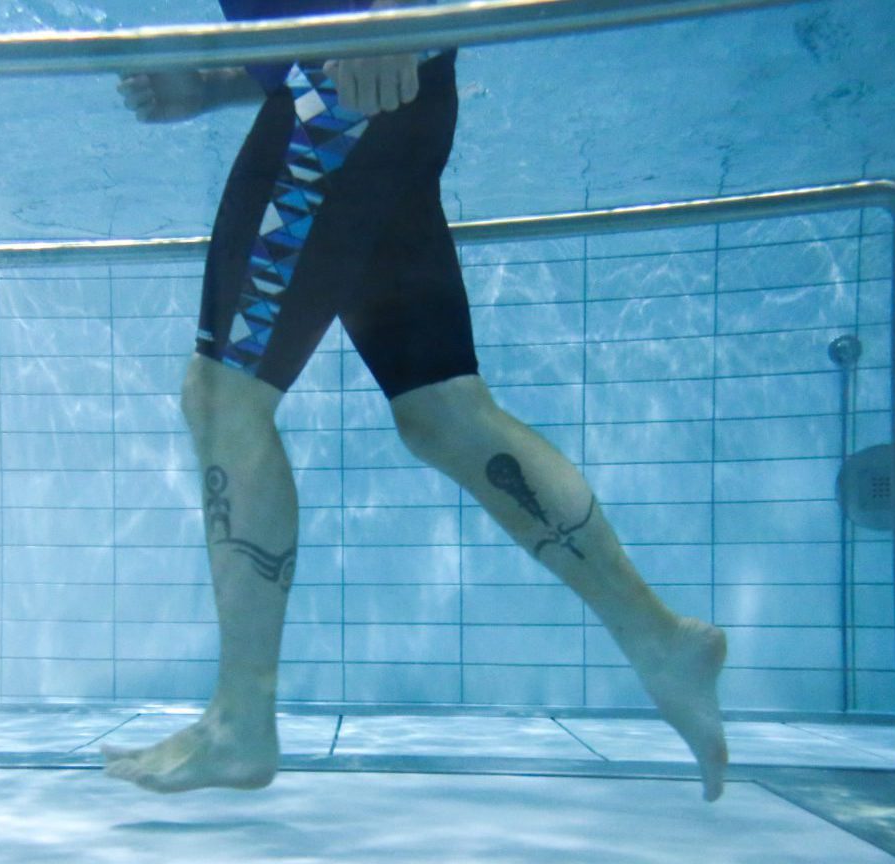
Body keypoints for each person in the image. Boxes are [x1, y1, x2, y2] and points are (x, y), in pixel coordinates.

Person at [101, 0, 731, 802]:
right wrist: (227, 82)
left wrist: (396, 14)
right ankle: (660, 639)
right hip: (367, 83)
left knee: (224, 395)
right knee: (442, 410)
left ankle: (239, 721)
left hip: (344, 91)